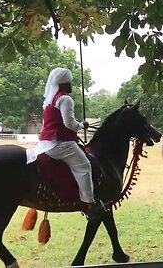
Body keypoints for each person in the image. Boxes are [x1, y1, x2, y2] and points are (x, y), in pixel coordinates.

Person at [26, 67, 107, 221]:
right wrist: (82, 125)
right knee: (84, 166)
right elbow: (69, 124)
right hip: (61, 143)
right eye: (69, 82)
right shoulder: (65, 99)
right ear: (63, 83)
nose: (71, 85)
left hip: (46, 143)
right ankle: (90, 204)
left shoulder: (50, 100)